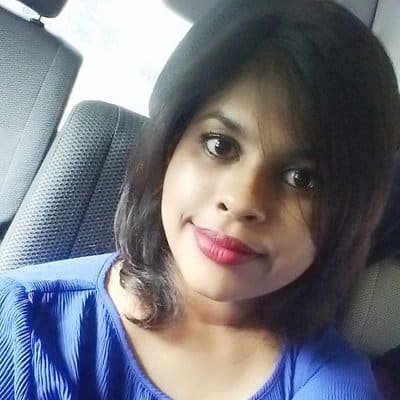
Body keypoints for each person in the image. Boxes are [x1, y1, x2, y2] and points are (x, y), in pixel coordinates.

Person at [0, 0, 399, 398]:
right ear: (170, 146)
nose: (242, 200)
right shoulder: (25, 325)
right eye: (220, 145)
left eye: (301, 178)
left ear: (349, 215)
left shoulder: (336, 382)